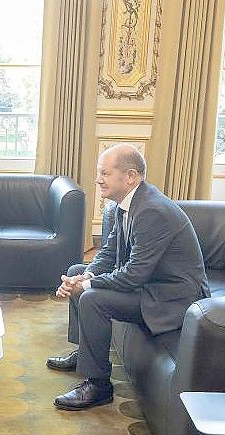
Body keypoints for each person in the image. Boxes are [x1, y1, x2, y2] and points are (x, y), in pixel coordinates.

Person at [47, 144, 209, 410]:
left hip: (173, 298)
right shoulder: (123, 205)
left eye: (105, 173)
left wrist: (85, 286)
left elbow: (133, 276)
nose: (98, 179)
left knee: (92, 299)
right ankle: (86, 353)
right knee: (79, 271)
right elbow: (109, 253)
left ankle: (98, 385)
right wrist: (85, 275)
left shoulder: (151, 211)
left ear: (130, 176)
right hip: (151, 286)